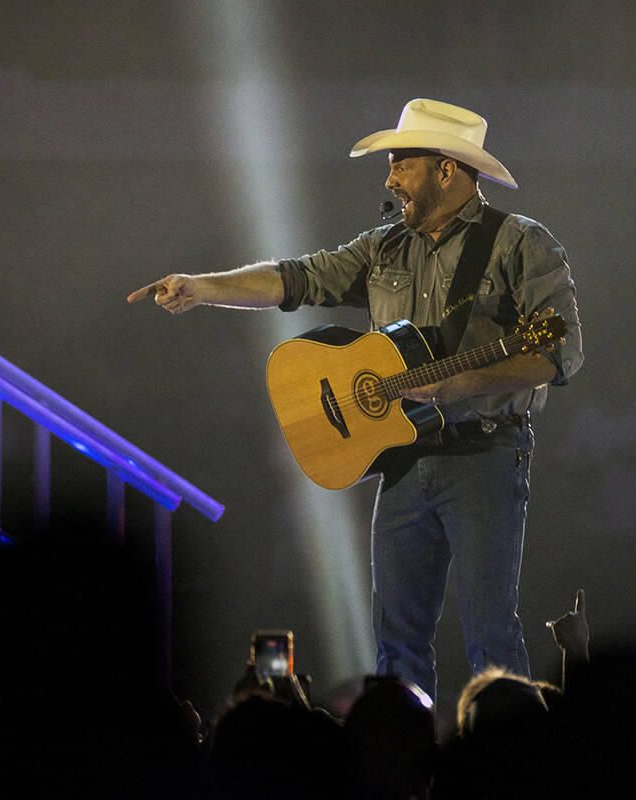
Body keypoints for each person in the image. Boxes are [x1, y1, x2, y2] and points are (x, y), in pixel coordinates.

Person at [128, 98, 583, 702]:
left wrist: (456, 385)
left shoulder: (520, 244)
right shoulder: (385, 247)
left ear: (446, 170)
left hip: (485, 458)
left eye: (400, 164)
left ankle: (505, 769)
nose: (389, 179)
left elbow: (556, 355)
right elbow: (295, 278)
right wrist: (202, 287)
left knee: (491, 636)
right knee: (396, 642)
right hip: (400, 461)